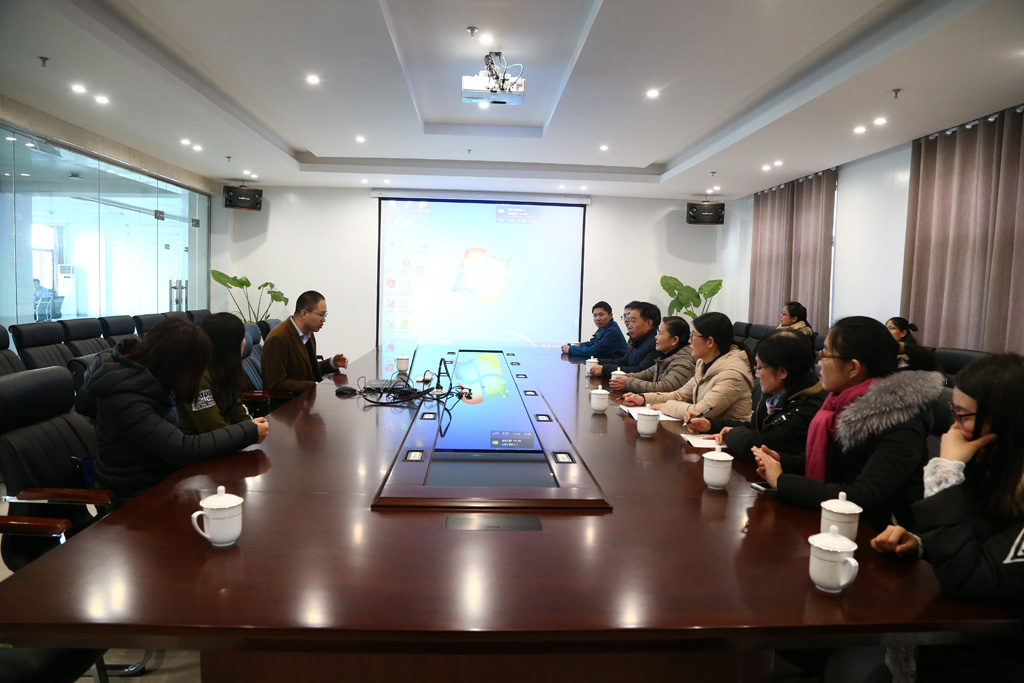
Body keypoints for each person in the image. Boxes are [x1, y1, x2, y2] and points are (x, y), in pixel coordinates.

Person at [870, 353, 1024, 680]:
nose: (953, 427)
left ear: (1006, 420)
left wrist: (945, 473)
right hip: (954, 638)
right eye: (953, 411)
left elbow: (968, 575)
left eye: (962, 415)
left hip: (998, 658)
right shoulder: (990, 465)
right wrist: (921, 544)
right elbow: (976, 538)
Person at [753, 316, 942, 530]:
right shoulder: (838, 403)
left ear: (853, 368)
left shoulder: (902, 419)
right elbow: (827, 461)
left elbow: (862, 495)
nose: (819, 363)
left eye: (825, 355)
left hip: (878, 533)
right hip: (838, 524)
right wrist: (780, 460)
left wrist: (782, 481)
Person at [76, 317, 268, 501]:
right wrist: (248, 431)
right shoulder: (126, 398)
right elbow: (182, 447)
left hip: (168, 480)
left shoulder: (153, 380)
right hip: (134, 497)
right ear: (177, 363)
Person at [688, 328, 826, 467]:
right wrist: (712, 425)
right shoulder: (776, 393)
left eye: (759, 368)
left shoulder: (807, 407)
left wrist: (730, 434)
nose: (757, 375)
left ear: (782, 371)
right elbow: (757, 428)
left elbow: (757, 444)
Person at [622, 311, 754, 422]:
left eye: (693, 335)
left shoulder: (732, 374)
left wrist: (665, 406)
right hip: (704, 433)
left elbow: (700, 412)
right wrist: (643, 398)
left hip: (726, 439)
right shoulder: (704, 364)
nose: (689, 340)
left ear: (710, 342)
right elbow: (680, 395)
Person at [177, 312, 251, 434]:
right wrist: (250, 432)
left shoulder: (222, 370)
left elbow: (238, 413)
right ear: (228, 345)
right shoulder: (196, 378)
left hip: (224, 440)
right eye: (241, 338)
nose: (245, 342)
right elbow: (214, 429)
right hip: (201, 443)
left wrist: (255, 428)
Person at [262, 290, 349, 394]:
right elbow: (276, 384)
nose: (324, 320)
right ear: (304, 314)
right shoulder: (278, 338)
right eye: (321, 315)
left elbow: (308, 370)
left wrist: (332, 363)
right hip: (290, 401)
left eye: (325, 315)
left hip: (307, 396)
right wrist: (315, 385)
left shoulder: (308, 333)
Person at [609, 316, 695, 394]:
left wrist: (628, 383)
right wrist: (621, 377)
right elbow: (645, 374)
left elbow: (664, 388)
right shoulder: (667, 356)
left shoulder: (683, 362)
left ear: (674, 340)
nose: (656, 337)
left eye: (660, 333)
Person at [591, 302, 660, 378]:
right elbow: (623, 362)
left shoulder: (656, 344)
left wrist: (604, 369)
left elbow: (641, 372)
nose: (629, 326)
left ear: (649, 323)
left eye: (633, 321)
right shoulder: (638, 340)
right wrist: (596, 362)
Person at [561, 301, 627, 358]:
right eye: (595, 315)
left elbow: (595, 351)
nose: (597, 318)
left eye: (601, 315)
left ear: (610, 316)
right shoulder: (603, 328)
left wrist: (570, 349)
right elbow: (591, 344)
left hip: (616, 366)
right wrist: (572, 346)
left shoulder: (612, 331)